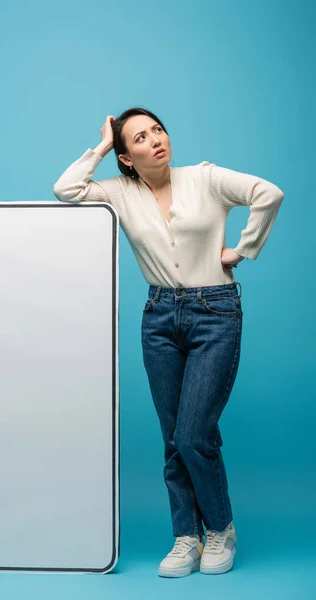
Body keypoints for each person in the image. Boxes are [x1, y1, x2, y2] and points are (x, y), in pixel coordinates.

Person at [53, 107, 284, 577]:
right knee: (172, 439)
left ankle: (220, 528)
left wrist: (244, 249)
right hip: (159, 319)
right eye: (140, 137)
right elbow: (66, 190)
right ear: (127, 157)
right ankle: (186, 536)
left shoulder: (206, 178)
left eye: (158, 129)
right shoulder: (118, 193)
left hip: (215, 313)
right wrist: (99, 147)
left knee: (194, 433)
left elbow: (268, 193)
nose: (156, 139)